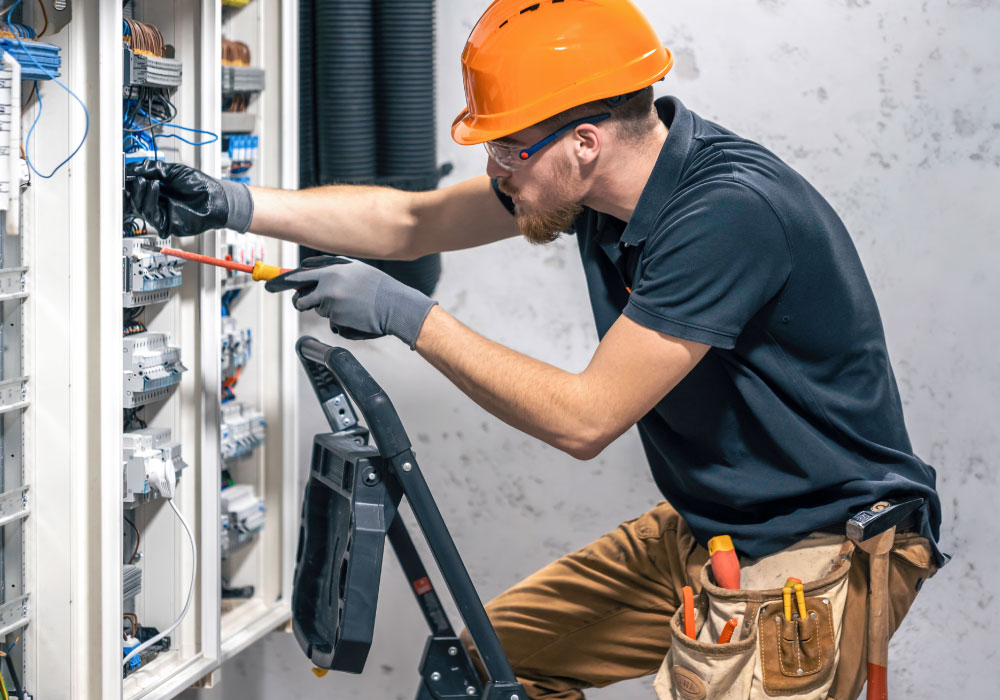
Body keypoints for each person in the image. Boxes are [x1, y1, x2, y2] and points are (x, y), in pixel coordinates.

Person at [125, 1, 946, 697]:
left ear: (584, 142)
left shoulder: (726, 215)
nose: (497, 170)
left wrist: (406, 314)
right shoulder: (592, 186)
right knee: (487, 666)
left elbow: (586, 419)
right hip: (717, 522)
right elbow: (412, 222)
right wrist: (234, 203)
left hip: (821, 545)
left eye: (508, 150)